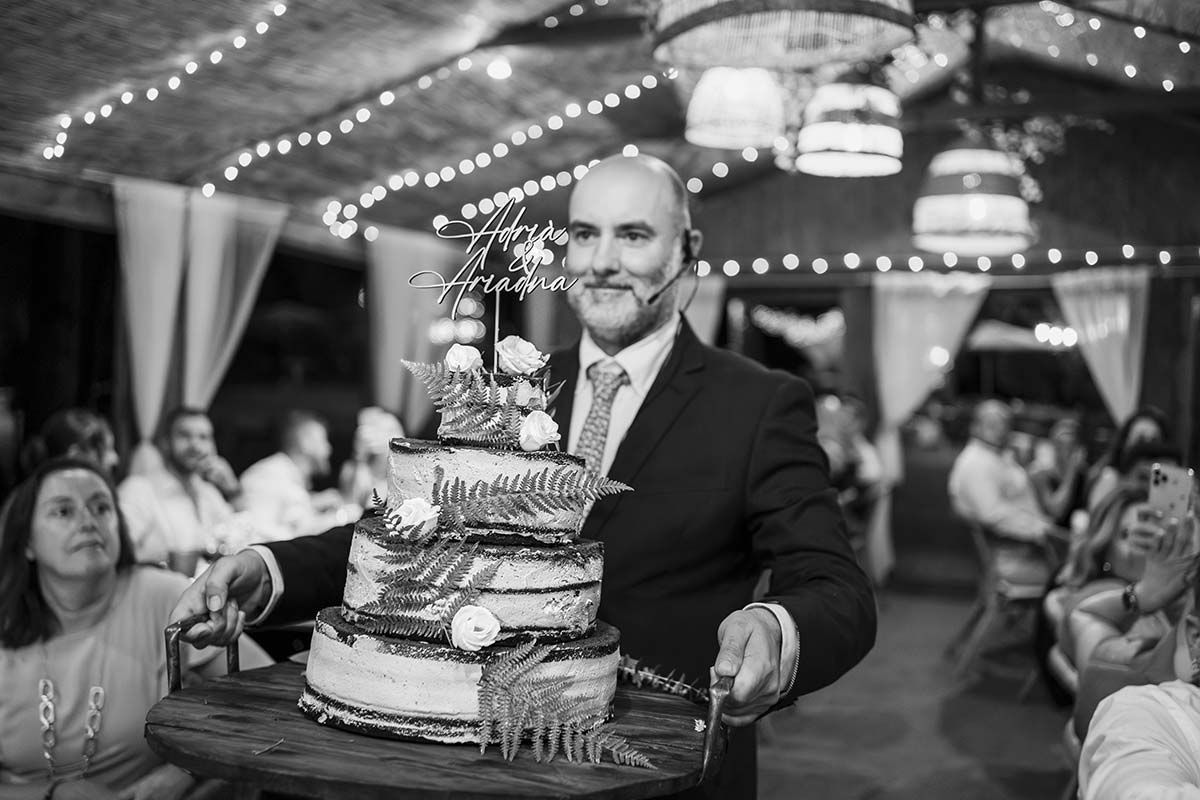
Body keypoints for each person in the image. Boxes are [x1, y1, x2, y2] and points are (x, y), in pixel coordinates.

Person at [171, 153, 877, 799]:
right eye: (585, 234)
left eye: (633, 235)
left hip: (656, 770)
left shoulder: (758, 403)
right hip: (485, 765)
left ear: (686, 250)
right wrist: (269, 570)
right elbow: (404, 535)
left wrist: (775, 627)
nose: (603, 261)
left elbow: (837, 588)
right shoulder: (504, 390)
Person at [0, 457, 271, 799]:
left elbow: (269, 696)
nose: (88, 522)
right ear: (26, 541)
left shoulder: (163, 596)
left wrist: (187, 770)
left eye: (101, 507)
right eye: (64, 511)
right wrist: (55, 794)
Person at [1077, 521, 1200, 798]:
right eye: (1126, 533)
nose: (1146, 541)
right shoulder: (1138, 694)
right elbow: (1084, 616)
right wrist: (1140, 595)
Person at [118, 408, 238, 567]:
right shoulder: (139, 489)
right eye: (185, 435)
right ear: (165, 442)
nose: (195, 445)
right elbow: (120, 552)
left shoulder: (208, 492)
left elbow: (238, 539)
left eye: (203, 437)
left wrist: (233, 490)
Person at [239, 410, 351, 540]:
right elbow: (255, 532)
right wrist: (342, 517)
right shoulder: (267, 475)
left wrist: (313, 504)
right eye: (323, 440)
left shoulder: (288, 478)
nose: (329, 449)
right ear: (305, 442)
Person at [1085, 406, 1171, 512]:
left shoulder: (1164, 488)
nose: (1147, 448)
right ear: (1124, 443)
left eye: (1154, 441)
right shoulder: (1111, 479)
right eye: (1140, 439)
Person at [337, 407, 404, 509]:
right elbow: (349, 504)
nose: (393, 437)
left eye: (393, 430)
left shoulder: (406, 476)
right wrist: (360, 455)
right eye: (382, 430)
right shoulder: (351, 469)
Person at [1029, 417, 1088, 528]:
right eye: (1062, 445)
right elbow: (1056, 512)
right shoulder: (1040, 474)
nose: (1067, 451)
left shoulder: (1083, 475)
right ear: (1054, 446)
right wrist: (1072, 471)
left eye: (1072, 446)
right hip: (1050, 533)